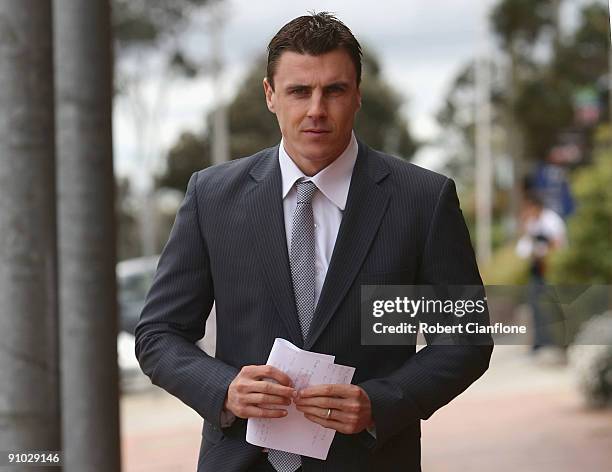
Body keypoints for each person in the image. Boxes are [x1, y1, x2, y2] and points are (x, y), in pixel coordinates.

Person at [135, 12, 492, 472]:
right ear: (270, 95)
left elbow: (467, 338)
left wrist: (379, 402)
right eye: (299, 91)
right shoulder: (212, 196)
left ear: (358, 94)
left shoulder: (423, 200)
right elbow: (158, 334)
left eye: (335, 90)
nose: (316, 110)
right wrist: (224, 389)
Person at [516, 191, 568, 355]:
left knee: (553, 307)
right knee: (536, 306)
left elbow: (558, 244)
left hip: (552, 270)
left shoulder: (551, 221)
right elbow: (523, 249)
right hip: (537, 271)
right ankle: (540, 343)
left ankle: (558, 342)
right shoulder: (531, 224)